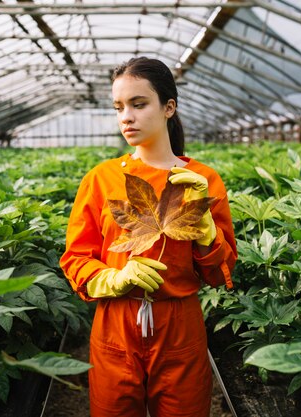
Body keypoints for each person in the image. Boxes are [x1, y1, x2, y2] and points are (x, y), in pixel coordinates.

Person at [60, 56, 237, 417]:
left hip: (180, 325)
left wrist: (206, 232)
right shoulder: (101, 179)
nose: (127, 116)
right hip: (115, 323)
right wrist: (110, 277)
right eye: (119, 107)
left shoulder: (204, 180)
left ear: (168, 107)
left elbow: (220, 274)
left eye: (139, 104)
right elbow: (76, 257)